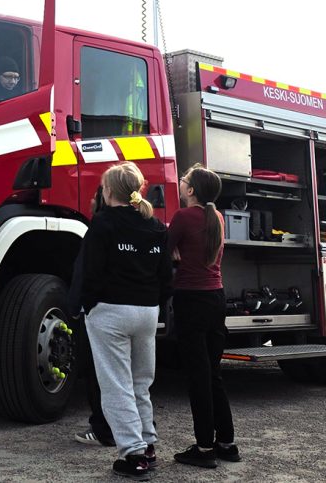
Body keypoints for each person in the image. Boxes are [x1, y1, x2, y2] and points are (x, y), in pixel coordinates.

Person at [79, 162, 171, 479]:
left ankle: (133, 454)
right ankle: (148, 445)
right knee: (140, 382)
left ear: (107, 191)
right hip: (147, 311)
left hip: (111, 311)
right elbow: (166, 276)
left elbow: (89, 272)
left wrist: (87, 305)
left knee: (116, 385)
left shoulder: (102, 225)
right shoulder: (157, 227)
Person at [167, 164, 241, 468]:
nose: (181, 184)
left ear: (192, 190)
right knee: (212, 373)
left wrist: (173, 256)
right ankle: (227, 443)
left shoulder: (183, 217)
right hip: (215, 298)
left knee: (197, 376)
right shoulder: (217, 218)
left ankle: (204, 448)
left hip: (191, 300)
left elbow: (163, 250)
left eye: (184, 181)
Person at [67, 185, 114, 449]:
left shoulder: (98, 227)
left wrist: (76, 306)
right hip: (134, 311)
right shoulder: (145, 224)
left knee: (96, 373)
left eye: (95, 195)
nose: (91, 199)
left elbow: (85, 273)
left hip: (100, 314)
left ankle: (102, 429)